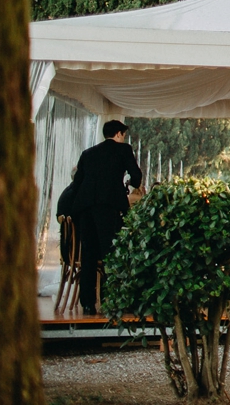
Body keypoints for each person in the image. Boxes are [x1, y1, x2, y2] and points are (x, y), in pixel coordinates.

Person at [72, 120, 143, 315]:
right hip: (108, 206)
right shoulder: (123, 150)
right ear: (119, 134)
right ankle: (111, 300)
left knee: (89, 255)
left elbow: (78, 182)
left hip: (85, 207)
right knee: (111, 255)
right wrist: (130, 183)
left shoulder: (88, 153)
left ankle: (87, 304)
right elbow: (136, 176)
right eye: (123, 134)